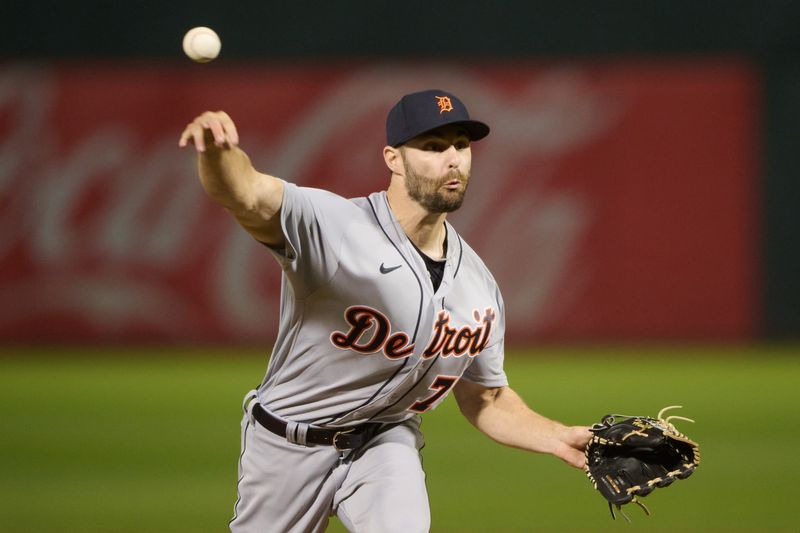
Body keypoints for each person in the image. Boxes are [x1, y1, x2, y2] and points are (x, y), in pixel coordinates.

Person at [179, 89, 591, 533]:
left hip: (385, 441)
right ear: (393, 159)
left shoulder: (479, 288)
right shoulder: (334, 226)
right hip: (286, 442)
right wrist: (218, 154)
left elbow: (485, 398)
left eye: (461, 145)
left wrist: (556, 436)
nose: (453, 159)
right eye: (433, 147)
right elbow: (249, 194)